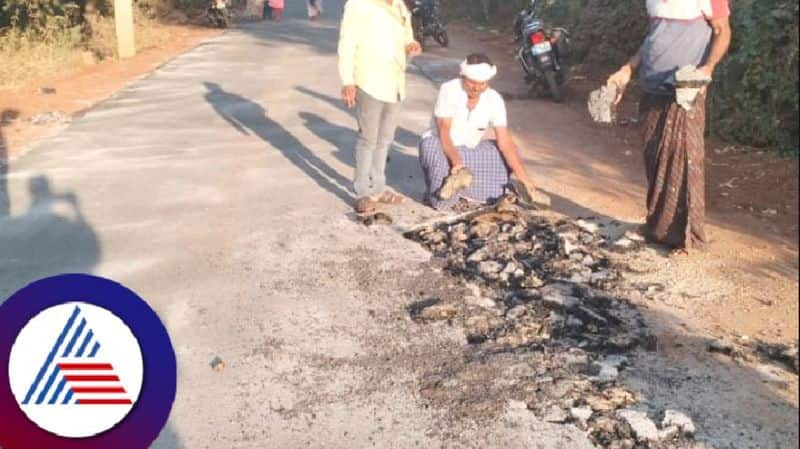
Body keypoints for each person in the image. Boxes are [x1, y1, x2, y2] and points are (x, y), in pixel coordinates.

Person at [607, 0, 731, 253]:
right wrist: (627, 69)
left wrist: (707, 68)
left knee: (684, 157)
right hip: (652, 85)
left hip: (686, 87)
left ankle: (688, 238)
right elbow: (653, 37)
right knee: (654, 157)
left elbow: (723, 31)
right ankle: (657, 228)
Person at [418, 53, 539, 210]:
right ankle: (449, 187)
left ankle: (463, 189)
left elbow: (504, 142)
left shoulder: (494, 99)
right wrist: (457, 164)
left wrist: (526, 181)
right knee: (442, 202)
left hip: (470, 151)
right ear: (462, 77)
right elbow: (444, 131)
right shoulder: (449, 89)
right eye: (472, 83)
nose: (476, 88)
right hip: (442, 147)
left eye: (482, 84)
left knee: (497, 189)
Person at [338, 0, 422, 213]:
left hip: (395, 83)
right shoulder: (358, 5)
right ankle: (362, 192)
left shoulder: (400, 6)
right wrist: (347, 80)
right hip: (369, 81)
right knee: (368, 139)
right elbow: (347, 43)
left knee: (385, 140)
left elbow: (406, 36)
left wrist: (411, 44)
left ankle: (379, 188)